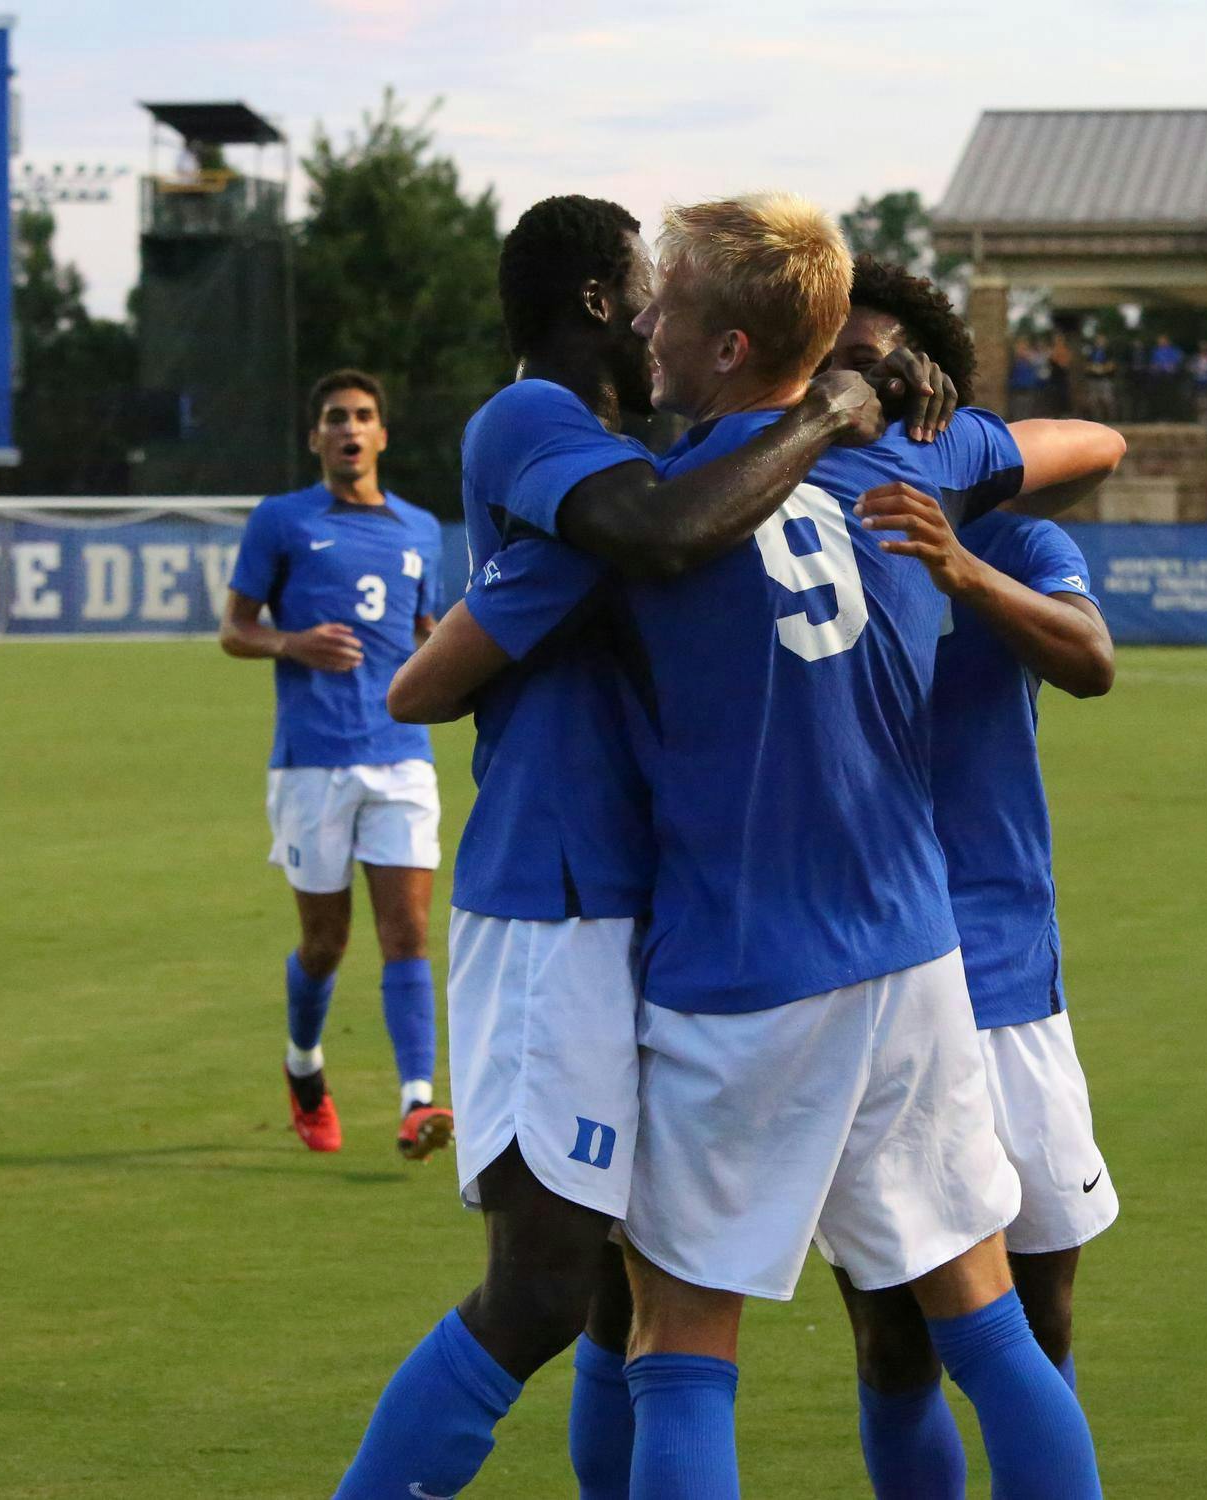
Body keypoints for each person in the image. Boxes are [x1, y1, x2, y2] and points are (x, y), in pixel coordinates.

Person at [326, 195, 949, 1500]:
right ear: (603, 306)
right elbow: (654, 538)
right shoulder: (538, 424)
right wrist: (835, 410)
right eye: (646, 291)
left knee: (620, 1293)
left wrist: (899, 394)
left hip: (635, 905)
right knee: (546, 1288)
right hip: (555, 896)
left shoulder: (643, 449)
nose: (664, 314)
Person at [822, 257, 1125, 1500]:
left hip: (1002, 967)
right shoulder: (790, 527)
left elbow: (1091, 659)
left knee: (1038, 1318)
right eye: (840, 359)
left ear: (936, 391)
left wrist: (961, 569)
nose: (861, 383)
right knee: (892, 1340)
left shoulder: (1009, 530)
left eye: (886, 361)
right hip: (864, 976)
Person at [219, 371, 453, 1159]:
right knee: (325, 943)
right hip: (311, 763)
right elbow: (233, 628)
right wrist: (292, 643)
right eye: (333, 419)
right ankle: (304, 1065)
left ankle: (417, 1101)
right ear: (315, 438)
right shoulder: (282, 522)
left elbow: (428, 630)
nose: (349, 429)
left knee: (409, 932)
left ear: (382, 435)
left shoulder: (420, 529)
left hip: (400, 757)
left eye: (362, 416)